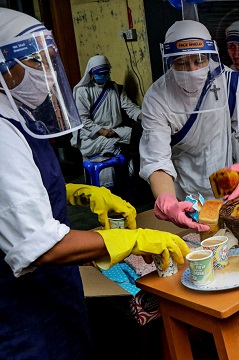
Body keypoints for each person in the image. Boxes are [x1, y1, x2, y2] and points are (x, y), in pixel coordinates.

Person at [0, 9, 190, 358]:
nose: (46, 73)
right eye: (34, 63)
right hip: (20, 308)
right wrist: (130, 239)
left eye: (50, 61)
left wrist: (81, 193)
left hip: (54, 290)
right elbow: (41, 246)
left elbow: (13, 195)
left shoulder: (17, 116)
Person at [140, 20, 239, 232]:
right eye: (182, 63)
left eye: (199, 61)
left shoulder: (229, 82)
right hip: (185, 191)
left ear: (210, 55)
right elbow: (157, 161)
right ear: (169, 61)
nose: (192, 70)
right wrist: (168, 201)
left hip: (229, 184)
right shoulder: (157, 97)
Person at [72, 55, 143, 187]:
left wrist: (144, 116)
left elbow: (131, 108)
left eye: (106, 72)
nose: (103, 76)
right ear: (92, 74)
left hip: (114, 130)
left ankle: (137, 177)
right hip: (92, 136)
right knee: (113, 144)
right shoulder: (82, 91)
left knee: (139, 134)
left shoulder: (115, 88)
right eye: (100, 73)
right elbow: (82, 119)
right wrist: (102, 131)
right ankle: (110, 185)